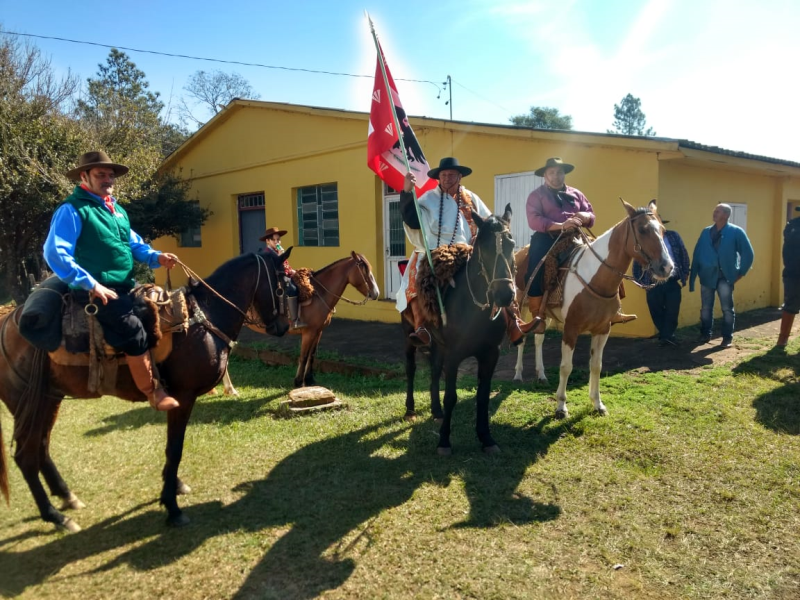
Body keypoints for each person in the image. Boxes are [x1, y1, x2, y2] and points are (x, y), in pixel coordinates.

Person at [43, 151, 180, 411]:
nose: (107, 179)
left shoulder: (116, 210)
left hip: (125, 285)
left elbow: (133, 245)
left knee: (156, 316)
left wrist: (156, 257)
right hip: (94, 290)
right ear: (84, 176)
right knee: (133, 331)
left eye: (110, 175)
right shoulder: (72, 210)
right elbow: (55, 252)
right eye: (100, 174)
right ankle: (152, 391)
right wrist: (91, 284)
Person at [396, 156, 534, 346]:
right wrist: (407, 192)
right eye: (443, 175)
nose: (446, 178)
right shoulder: (429, 199)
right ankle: (422, 327)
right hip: (434, 252)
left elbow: (488, 222)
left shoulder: (471, 198)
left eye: (451, 175)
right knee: (415, 277)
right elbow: (412, 219)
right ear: (439, 177)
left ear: (460, 177)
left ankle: (514, 322)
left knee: (500, 275)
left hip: (467, 251)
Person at [524, 157, 634, 330]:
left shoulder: (576, 194)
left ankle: (615, 309)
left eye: (559, 172)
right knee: (535, 268)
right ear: (545, 175)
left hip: (576, 236)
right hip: (548, 238)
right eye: (551, 172)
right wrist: (561, 225)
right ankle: (538, 315)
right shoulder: (536, 196)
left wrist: (585, 217)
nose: (556, 176)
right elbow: (534, 220)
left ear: (564, 174)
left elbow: (591, 214)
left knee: (607, 258)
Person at [689, 203, 754, 348]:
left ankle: (727, 338)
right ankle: (705, 334)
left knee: (727, 309)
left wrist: (740, 273)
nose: (714, 213)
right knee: (706, 308)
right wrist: (694, 273)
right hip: (707, 276)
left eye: (717, 211)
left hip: (725, 277)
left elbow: (748, 254)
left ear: (725, 215)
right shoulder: (706, 232)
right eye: (714, 211)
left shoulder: (736, 232)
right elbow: (697, 253)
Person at [632, 218, 690, 346]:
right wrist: (639, 279)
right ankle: (667, 335)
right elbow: (637, 259)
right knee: (655, 309)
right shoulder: (644, 239)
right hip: (652, 281)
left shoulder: (673, 236)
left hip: (672, 279)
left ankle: (667, 335)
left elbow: (683, 253)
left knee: (672, 309)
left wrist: (685, 271)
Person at [260, 226, 306, 329]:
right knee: (293, 289)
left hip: (285, 276)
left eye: (278, 240)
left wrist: (294, 271)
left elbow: (286, 267)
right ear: (268, 241)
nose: (277, 242)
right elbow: (275, 269)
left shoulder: (278, 252)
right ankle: (294, 321)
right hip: (275, 280)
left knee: (303, 282)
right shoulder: (267, 253)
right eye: (274, 240)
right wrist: (280, 257)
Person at [776, 207, 800, 347]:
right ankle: (783, 338)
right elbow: (792, 242)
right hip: (794, 272)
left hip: (792, 271)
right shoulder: (793, 226)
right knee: (790, 304)